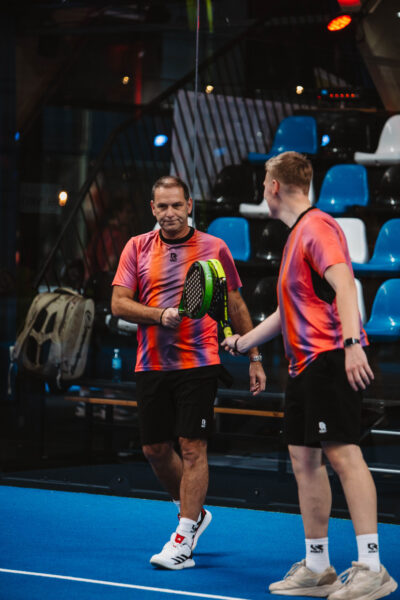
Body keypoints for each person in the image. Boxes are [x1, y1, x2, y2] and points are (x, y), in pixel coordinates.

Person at [222, 152, 397, 600]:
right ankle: (318, 567)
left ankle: (372, 568)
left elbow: (345, 285)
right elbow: (289, 311)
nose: (262, 190)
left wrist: (353, 345)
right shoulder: (296, 235)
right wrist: (244, 342)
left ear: (274, 187)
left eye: (264, 182)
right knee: (304, 460)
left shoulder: (317, 227)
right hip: (302, 366)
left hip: (329, 359)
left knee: (344, 455)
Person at [111, 175, 266, 570]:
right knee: (155, 450)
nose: (170, 213)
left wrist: (254, 356)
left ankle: (182, 540)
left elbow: (234, 302)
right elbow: (119, 304)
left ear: (189, 205)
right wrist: (159, 315)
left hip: (199, 362)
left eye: (176, 205)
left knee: (193, 447)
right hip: (151, 363)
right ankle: (193, 513)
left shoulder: (214, 248)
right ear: (152, 208)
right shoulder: (136, 247)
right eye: (162, 206)